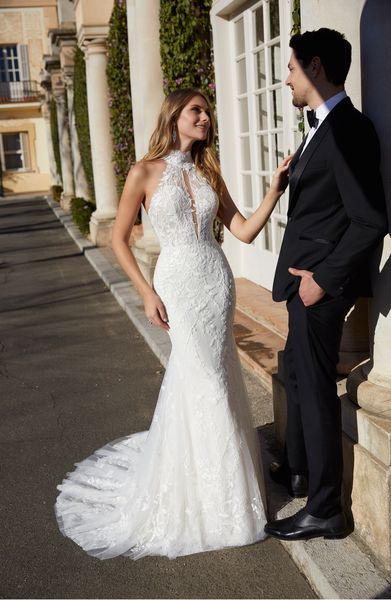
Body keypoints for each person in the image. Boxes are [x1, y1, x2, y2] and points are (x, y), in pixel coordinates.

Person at [55, 88, 291, 559]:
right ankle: (212, 499)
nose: (205, 117)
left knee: (217, 379)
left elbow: (242, 230)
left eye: (207, 111)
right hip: (177, 284)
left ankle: (228, 497)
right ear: (175, 116)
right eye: (196, 110)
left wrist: (274, 191)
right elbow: (120, 238)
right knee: (204, 380)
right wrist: (146, 292)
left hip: (215, 280)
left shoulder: (208, 171)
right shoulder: (143, 172)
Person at [265, 28, 387, 541]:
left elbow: (370, 219)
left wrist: (323, 282)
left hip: (319, 288)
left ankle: (325, 509)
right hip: (303, 284)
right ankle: (298, 468)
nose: (285, 77)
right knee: (295, 372)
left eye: (291, 67)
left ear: (315, 66)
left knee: (315, 392)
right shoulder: (321, 128)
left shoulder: (348, 129)